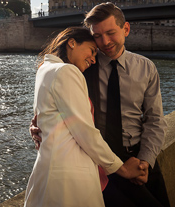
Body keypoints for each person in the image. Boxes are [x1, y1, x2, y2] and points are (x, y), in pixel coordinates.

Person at [32, 2, 169, 207]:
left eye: (111, 33)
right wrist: (38, 124)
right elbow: (56, 102)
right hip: (99, 160)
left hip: (137, 156)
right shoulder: (82, 66)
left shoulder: (146, 68)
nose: (104, 42)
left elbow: (155, 120)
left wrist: (145, 161)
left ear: (126, 29)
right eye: (97, 36)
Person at [25, 27, 146, 207]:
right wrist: (123, 169)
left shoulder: (44, 70)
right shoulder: (66, 71)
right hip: (69, 177)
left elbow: (47, 117)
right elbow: (85, 132)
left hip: (48, 171)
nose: (94, 59)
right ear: (72, 43)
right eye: (91, 50)